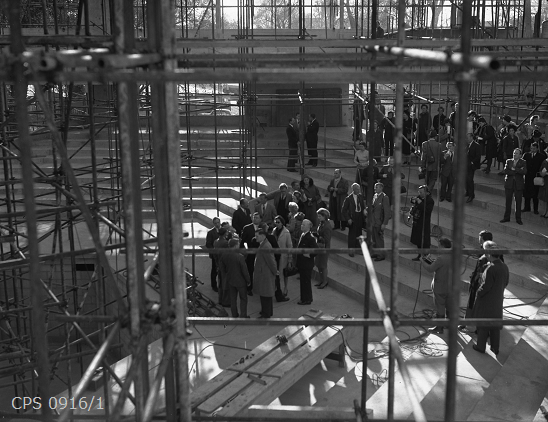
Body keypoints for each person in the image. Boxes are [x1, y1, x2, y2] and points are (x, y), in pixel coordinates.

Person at [472, 241, 509, 356]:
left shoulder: (491, 268)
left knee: (483, 325)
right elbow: (506, 283)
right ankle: (495, 347)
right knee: (495, 326)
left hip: (487, 301)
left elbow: (485, 286)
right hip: (497, 299)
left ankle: (480, 346)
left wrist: (478, 292)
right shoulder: (504, 266)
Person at [459, 230, 498, 331]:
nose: (479, 240)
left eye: (480, 238)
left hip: (481, 285)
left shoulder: (487, 257)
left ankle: (476, 327)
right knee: (472, 304)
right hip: (480, 284)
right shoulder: (490, 254)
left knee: (476, 306)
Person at [421, 236, 453, 333]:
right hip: (450, 286)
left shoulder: (441, 258)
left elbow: (430, 269)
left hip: (440, 287)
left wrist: (423, 261)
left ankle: (439, 328)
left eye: (439, 246)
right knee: (448, 306)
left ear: (443, 246)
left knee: (440, 307)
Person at [219, 238, 251, 318]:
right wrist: (248, 280)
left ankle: (234, 315)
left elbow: (222, 268)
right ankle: (243, 315)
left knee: (233, 299)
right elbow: (244, 270)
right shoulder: (240, 256)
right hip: (240, 281)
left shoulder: (224, 255)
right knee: (243, 298)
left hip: (230, 280)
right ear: (236, 245)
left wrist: (226, 277)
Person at [253, 227, 278, 318]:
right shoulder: (263, 244)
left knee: (266, 295)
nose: (255, 237)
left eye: (257, 236)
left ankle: (266, 313)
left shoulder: (266, 246)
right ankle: (266, 311)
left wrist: (275, 271)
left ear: (263, 236)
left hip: (265, 274)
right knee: (264, 294)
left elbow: (271, 261)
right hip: (263, 273)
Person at [500, 148, 527, 225]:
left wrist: (514, 169)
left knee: (518, 202)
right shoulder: (509, 161)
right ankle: (506, 217)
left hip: (518, 185)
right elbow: (506, 171)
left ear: (520, 155)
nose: (515, 155)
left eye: (517, 153)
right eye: (514, 153)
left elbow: (524, 171)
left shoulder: (523, 162)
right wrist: (517, 171)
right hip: (509, 183)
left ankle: (518, 219)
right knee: (508, 202)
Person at [408, 185, 434, 261]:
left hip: (424, 223)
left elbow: (427, 211)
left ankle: (426, 256)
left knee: (424, 241)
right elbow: (413, 202)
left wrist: (420, 203)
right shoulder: (419, 197)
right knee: (418, 240)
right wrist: (413, 199)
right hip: (417, 221)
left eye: (421, 192)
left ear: (426, 192)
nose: (419, 193)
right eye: (419, 192)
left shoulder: (430, 200)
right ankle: (419, 255)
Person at [341, 183, 367, 257]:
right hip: (353, 217)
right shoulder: (348, 198)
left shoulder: (360, 196)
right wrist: (348, 218)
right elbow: (343, 210)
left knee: (359, 233)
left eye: (359, 189)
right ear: (353, 190)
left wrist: (365, 211)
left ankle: (358, 249)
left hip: (360, 216)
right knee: (352, 234)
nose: (359, 190)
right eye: (357, 189)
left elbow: (362, 206)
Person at [240, 212, 262, 295]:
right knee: (250, 270)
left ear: (260, 219)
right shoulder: (247, 228)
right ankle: (249, 287)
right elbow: (242, 241)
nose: (255, 219)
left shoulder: (263, 227)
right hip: (250, 253)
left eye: (257, 217)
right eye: (254, 217)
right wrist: (243, 252)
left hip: (260, 253)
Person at [296, 219, 317, 305]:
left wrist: (309, 255)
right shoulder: (303, 235)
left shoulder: (310, 238)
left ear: (308, 226)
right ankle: (304, 298)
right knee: (303, 282)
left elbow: (316, 250)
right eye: (302, 224)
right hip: (302, 263)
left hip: (307, 264)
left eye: (304, 225)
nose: (302, 226)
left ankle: (307, 299)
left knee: (306, 282)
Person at [369, 182, 391, 262]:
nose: (375, 189)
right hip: (373, 221)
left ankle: (381, 255)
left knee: (379, 239)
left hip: (379, 221)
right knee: (374, 238)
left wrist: (384, 223)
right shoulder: (375, 196)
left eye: (377, 187)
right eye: (375, 187)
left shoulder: (385, 197)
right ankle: (376, 252)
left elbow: (387, 211)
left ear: (381, 188)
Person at [522, 142, 546, 214]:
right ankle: (527, 207)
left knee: (535, 193)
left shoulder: (541, 156)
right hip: (527, 176)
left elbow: (543, 166)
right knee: (526, 192)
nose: (532, 150)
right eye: (531, 148)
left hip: (535, 176)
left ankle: (535, 209)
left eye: (534, 148)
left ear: (537, 149)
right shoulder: (526, 155)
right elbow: (523, 163)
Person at [273, 216, 292, 300]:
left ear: (282, 223)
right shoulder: (274, 231)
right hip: (275, 256)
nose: (276, 224)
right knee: (276, 273)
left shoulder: (286, 233)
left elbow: (289, 246)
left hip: (283, 257)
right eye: (276, 222)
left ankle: (285, 289)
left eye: (278, 222)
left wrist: (290, 259)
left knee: (284, 274)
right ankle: (277, 289)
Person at [314, 208, 332, 289]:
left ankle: (325, 281)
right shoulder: (321, 223)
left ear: (324, 216)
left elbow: (327, 239)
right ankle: (321, 280)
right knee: (318, 264)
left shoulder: (327, 226)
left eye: (320, 216)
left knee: (323, 265)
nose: (318, 217)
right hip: (319, 246)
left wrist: (318, 236)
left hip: (324, 248)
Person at [421, 129, 442, 194]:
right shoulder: (439, 145)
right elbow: (440, 157)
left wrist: (422, 166)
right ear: (435, 137)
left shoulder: (424, 144)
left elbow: (423, 157)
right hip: (435, 166)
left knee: (427, 180)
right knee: (433, 179)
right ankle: (428, 191)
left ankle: (426, 191)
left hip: (427, 165)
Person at [213, 227, 231, 306]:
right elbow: (228, 254)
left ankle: (220, 299)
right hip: (225, 264)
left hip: (218, 263)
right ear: (224, 233)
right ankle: (226, 301)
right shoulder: (225, 243)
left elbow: (214, 254)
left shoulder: (216, 241)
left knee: (220, 283)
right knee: (226, 283)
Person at [205, 217, 221, 292]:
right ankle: (214, 285)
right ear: (213, 224)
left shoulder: (223, 230)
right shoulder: (211, 233)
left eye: (218, 222)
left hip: (223, 254)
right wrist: (214, 251)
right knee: (214, 270)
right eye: (215, 223)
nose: (217, 224)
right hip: (215, 255)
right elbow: (208, 244)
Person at [465, 132, 482, 203]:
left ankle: (471, 195)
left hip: (472, 166)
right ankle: (468, 192)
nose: (467, 139)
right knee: (465, 180)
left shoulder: (476, 146)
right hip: (466, 165)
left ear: (471, 137)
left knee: (469, 180)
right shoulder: (466, 145)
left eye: (468, 137)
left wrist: (472, 162)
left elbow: (478, 156)